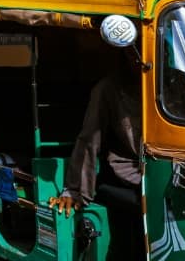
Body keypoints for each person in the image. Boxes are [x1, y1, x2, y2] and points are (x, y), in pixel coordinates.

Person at [48, 46, 144, 260]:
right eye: (134, 53)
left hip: (170, 173)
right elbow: (90, 139)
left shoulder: (177, 83)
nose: (140, 60)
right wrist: (74, 190)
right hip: (126, 176)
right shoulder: (108, 89)